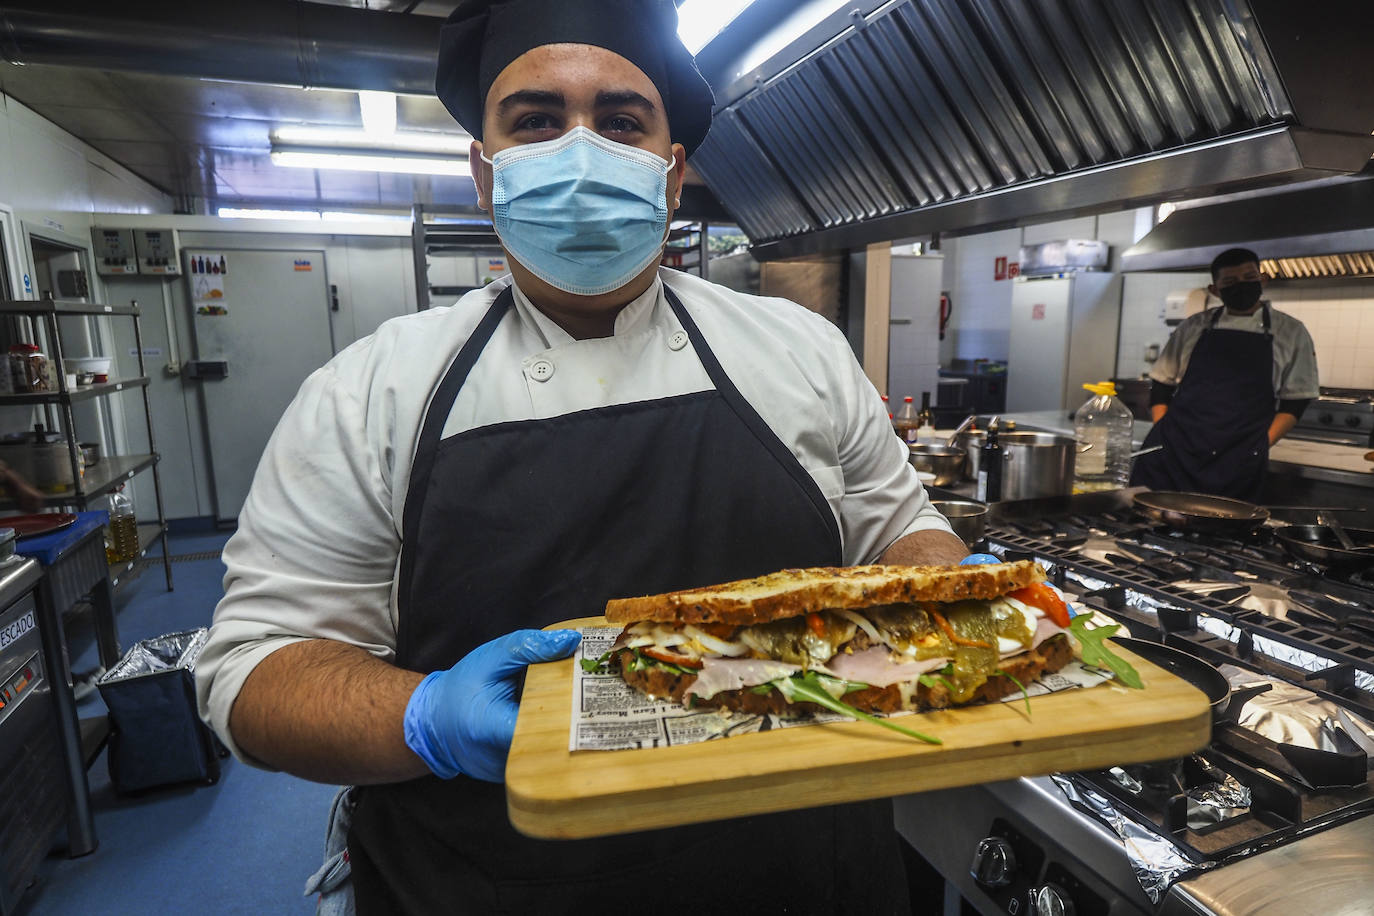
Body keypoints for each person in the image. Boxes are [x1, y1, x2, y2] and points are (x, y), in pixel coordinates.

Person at [195, 1, 968, 912]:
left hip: (809, 870)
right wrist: (426, 716)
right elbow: (255, 672)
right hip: (492, 879)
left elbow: (902, 528)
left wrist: (945, 591)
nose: (579, 152)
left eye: (619, 122)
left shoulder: (799, 350)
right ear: (484, 175)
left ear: (671, 175)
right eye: (536, 121)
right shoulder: (370, 391)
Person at [1130, 247, 1318, 501]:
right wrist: (1163, 430)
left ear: (1262, 280)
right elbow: (1161, 385)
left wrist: (1261, 445)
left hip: (1237, 458)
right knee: (1147, 521)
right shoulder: (1193, 327)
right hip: (1174, 452)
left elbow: (1295, 401)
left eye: (1249, 278)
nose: (1241, 286)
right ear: (1215, 290)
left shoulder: (1292, 332)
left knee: (1220, 530)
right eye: (1230, 282)